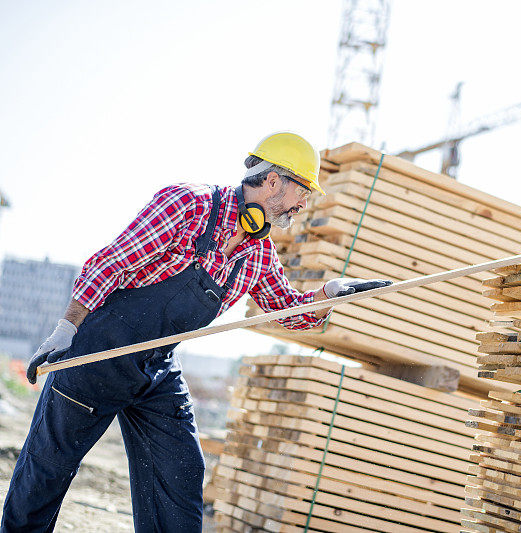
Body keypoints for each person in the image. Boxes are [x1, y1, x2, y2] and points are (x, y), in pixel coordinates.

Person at [1, 132, 391, 532]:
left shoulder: (258, 254)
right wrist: (67, 328)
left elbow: (284, 310)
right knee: (44, 476)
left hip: (155, 368)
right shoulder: (189, 205)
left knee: (182, 473)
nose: (303, 204)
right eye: (302, 190)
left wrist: (328, 295)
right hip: (97, 355)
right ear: (274, 181)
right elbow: (109, 262)